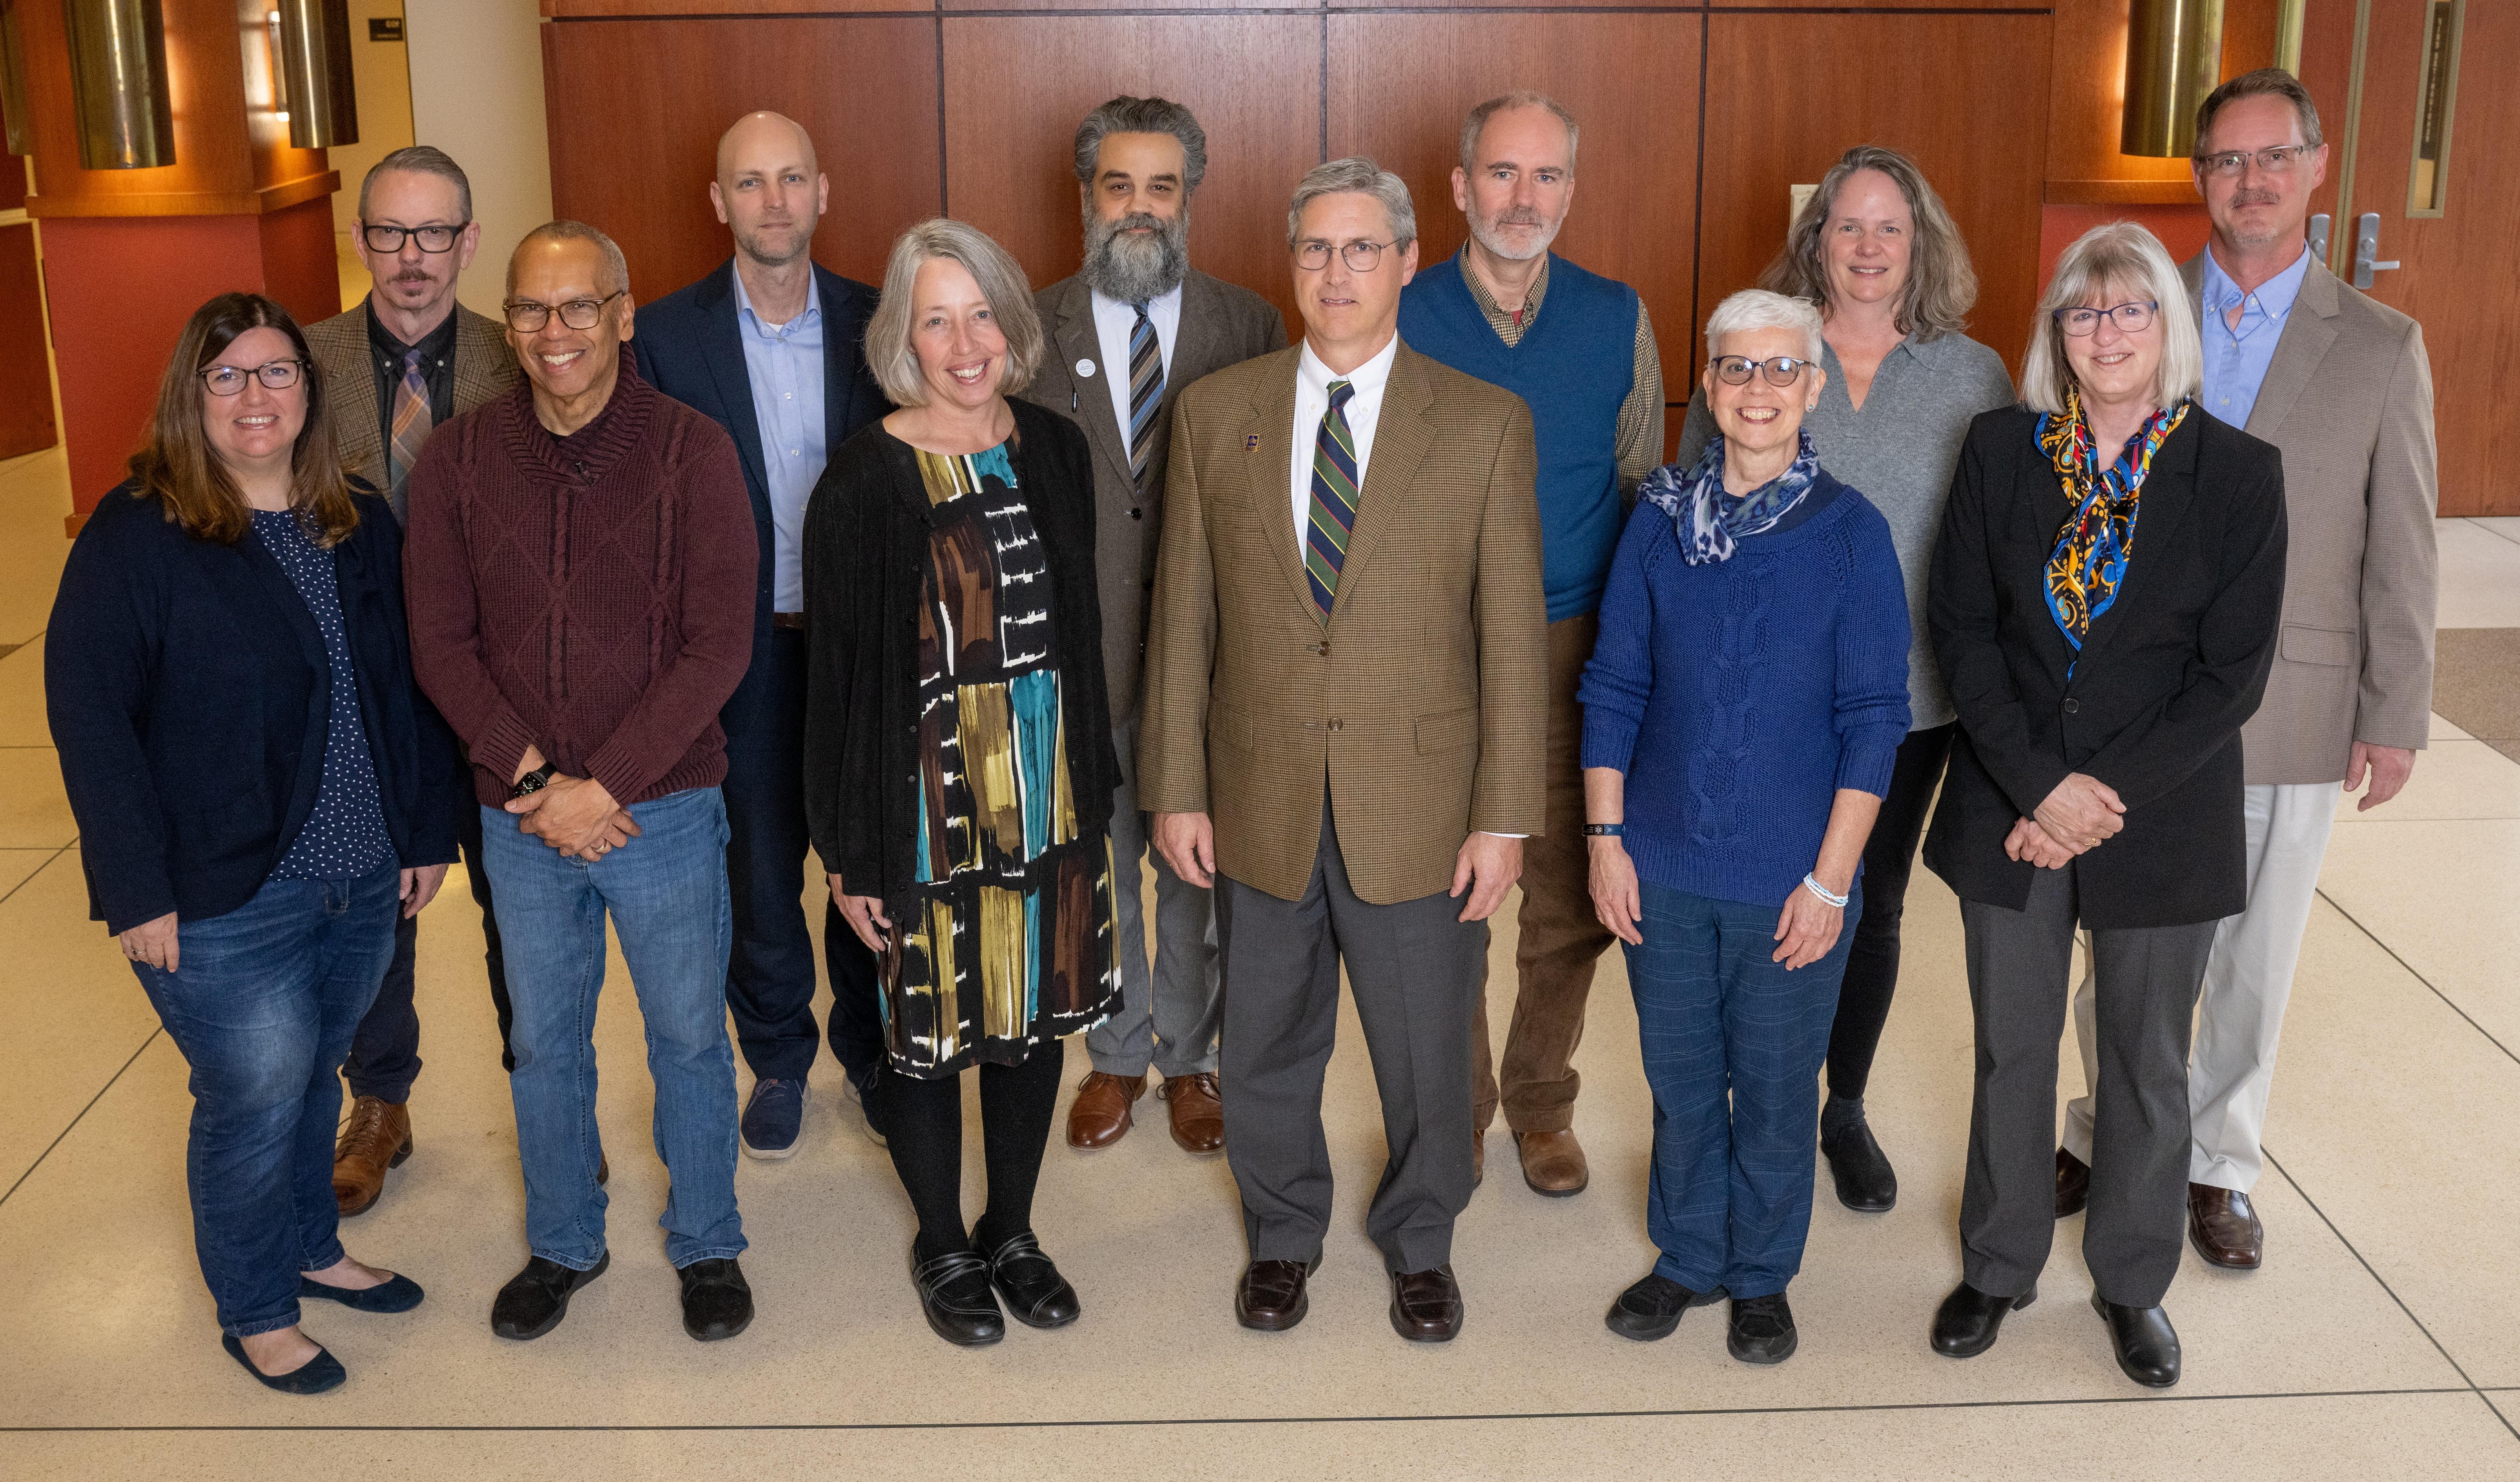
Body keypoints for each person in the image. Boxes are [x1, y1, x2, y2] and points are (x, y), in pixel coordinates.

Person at [1141, 157, 1545, 1343]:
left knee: (1427, 1047)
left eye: (1362, 248)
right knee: (1262, 1036)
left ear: (1410, 259)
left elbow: (1512, 641)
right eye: (1316, 248)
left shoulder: (1482, 424)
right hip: (1258, 790)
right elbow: (1184, 620)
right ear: (1291, 261)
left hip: (1420, 803)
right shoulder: (1219, 413)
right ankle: (1282, 1233)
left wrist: (1504, 813)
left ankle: (1423, 1239)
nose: (1336, 271)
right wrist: (1176, 785)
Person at [47, 292, 465, 1393]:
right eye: (226, 377)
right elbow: (90, 717)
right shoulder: (137, 534)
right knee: (252, 1098)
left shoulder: (354, 517)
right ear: (191, 396)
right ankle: (256, 1304)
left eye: (276, 373)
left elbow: (401, 687)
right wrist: (135, 890)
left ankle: (311, 1249)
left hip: (361, 871)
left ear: (309, 393)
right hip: (222, 892)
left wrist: (421, 829)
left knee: (313, 1078)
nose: (253, 396)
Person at [2058, 70, 2437, 1272]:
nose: (2253, 181)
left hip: (2292, 701)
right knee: (2124, 936)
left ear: (2318, 168)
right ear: (2201, 178)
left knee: (2253, 953)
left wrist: (2397, 711)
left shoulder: (2383, 346)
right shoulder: (2134, 311)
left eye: (2276, 158)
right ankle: (2106, 1124)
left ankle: (2218, 1163)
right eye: (2227, 161)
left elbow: (2404, 543)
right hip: (2131, 702)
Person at [1923, 221, 2287, 1389]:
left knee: (2142, 1061)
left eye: (2131, 310)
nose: (2108, 331)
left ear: (2167, 330)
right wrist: (2040, 786)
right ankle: (1999, 1262)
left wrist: (2092, 799)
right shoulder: (1999, 450)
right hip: (2013, 799)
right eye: (2084, 311)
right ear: (2057, 335)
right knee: (2011, 1049)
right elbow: (1964, 631)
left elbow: (2228, 677)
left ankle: (2133, 1283)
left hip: (2159, 815)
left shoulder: (2237, 474)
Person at [403, 222, 760, 1345]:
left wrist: (603, 784)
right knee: (544, 1041)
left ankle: (708, 1239)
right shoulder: (460, 458)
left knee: (689, 1040)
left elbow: (719, 647)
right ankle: (565, 1237)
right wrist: (542, 780)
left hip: (663, 804)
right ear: (506, 323)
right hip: (518, 815)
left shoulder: (693, 450)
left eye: (577, 307)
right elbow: (441, 647)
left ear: (622, 313)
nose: (553, 332)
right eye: (530, 310)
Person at [1673, 146, 2017, 1214]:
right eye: (1847, 227)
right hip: (1765, 698)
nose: (1867, 248)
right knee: (1756, 895)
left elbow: (2001, 538)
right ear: (1813, 239)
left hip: (1910, 700)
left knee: (1866, 900)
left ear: (1920, 244)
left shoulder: (1972, 374)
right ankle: (1742, 1104)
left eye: (1889, 229)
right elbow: (1697, 512)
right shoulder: (1761, 352)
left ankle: (1841, 1106)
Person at [803, 219, 1121, 1349]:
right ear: (904, 338)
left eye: (981, 311)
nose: (965, 340)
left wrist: (1095, 784)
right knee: (929, 1030)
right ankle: (943, 1239)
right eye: (935, 318)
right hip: (926, 809)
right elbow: (836, 675)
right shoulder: (864, 475)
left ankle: (1014, 1230)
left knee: (1033, 1022)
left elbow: (1079, 633)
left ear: (1012, 323)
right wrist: (847, 853)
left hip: (1048, 796)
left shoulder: (1053, 447)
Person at [1585, 289, 1909, 1365]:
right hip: (1663, 867)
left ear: (1815, 387)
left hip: (1792, 877)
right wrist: (1605, 837)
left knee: (1774, 1089)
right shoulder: (1658, 519)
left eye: (1782, 369)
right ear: (1709, 387)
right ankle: (1686, 1255)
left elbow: (1875, 724)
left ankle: (1763, 1272)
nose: (1758, 389)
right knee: (1681, 1081)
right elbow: (1614, 688)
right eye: (1736, 368)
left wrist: (1830, 884)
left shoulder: (1855, 535)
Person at [1397, 91, 1664, 1197]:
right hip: (1437, 649)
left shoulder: (1616, 317)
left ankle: (1541, 1101)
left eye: (1546, 176)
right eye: (1502, 175)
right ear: (1458, 187)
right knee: (1443, 894)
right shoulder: (1400, 313)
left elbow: (1642, 483)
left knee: (1565, 901)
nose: (1524, 198)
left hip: (1573, 649)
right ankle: (1453, 1112)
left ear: (1571, 189)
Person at [1017, 95, 1287, 1156]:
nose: (1141, 207)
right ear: (1087, 198)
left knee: (1194, 873)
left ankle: (1190, 1058)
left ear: (1190, 200)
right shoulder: (1030, 326)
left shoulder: (1250, 323)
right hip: (1074, 662)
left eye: (1162, 187)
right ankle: (1117, 1054)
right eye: (1119, 186)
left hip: (1206, 662)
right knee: (1094, 865)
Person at [633, 111, 893, 1160]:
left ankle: (874, 1053)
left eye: (792, 178)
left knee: (865, 852)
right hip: (733, 654)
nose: (774, 200)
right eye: (751, 182)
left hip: (860, 646)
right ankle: (779, 1056)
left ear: (824, 191)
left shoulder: (882, 321)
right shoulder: (662, 336)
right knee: (759, 868)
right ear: (719, 202)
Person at [303, 145, 526, 1218]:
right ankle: (379, 1102)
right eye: (390, 233)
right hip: (359, 699)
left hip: (500, 689)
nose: (412, 259)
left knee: (522, 911)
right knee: (369, 913)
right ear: (361, 240)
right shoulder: (296, 365)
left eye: (435, 233)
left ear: (469, 242)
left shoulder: (523, 355)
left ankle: (550, 1102)